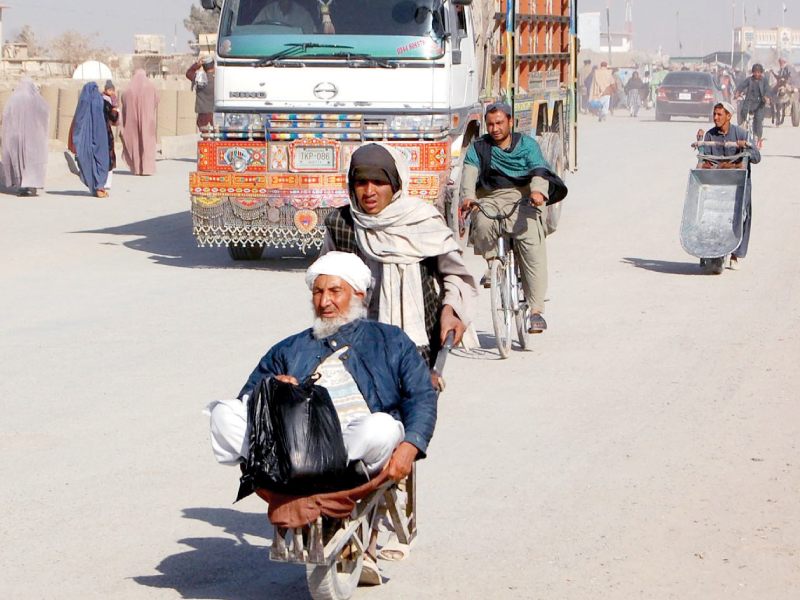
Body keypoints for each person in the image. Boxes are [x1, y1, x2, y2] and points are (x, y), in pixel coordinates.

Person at [206, 251, 437, 582]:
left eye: (334, 291)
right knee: (223, 413)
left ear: (358, 294)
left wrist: (411, 445)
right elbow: (249, 395)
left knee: (382, 426)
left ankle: (334, 496)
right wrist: (272, 388)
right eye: (317, 292)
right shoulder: (289, 348)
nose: (324, 301)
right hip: (295, 451)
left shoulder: (390, 340)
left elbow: (421, 395)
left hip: (352, 450)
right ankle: (290, 480)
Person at [321, 143, 477, 368]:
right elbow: (324, 282)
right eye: (361, 182)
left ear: (395, 184)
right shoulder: (341, 224)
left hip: (419, 343)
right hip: (356, 345)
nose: (369, 191)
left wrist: (451, 311)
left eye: (379, 182)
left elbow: (455, 275)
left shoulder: (423, 221)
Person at [460, 102, 567, 333]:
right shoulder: (479, 147)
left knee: (532, 246)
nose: (495, 128)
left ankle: (536, 311)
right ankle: (492, 264)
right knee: (482, 221)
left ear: (510, 122)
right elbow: (469, 172)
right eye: (490, 124)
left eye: (499, 123)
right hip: (490, 197)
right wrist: (468, 197)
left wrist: (538, 192)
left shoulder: (527, 145)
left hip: (523, 198)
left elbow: (539, 171)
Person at [696, 102, 761, 270]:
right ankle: (707, 250)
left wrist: (744, 148)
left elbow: (756, 156)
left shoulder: (742, 133)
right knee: (707, 213)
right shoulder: (710, 135)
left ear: (728, 116)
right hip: (716, 183)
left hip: (738, 184)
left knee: (743, 214)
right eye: (714, 114)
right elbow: (704, 160)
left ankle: (735, 254)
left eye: (719, 114)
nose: (716, 118)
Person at [1, 77, 49, 197]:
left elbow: (5, 117)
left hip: (15, 137)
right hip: (32, 137)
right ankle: (30, 183)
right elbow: (45, 112)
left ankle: (21, 185)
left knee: (17, 159)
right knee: (30, 160)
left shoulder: (13, 99)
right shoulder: (35, 98)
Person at [69, 82, 110, 198]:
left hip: (84, 135)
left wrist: (75, 134)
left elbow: (78, 119)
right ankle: (100, 186)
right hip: (100, 133)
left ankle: (95, 186)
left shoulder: (84, 100)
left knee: (86, 159)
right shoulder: (99, 100)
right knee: (101, 158)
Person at [121, 69, 160, 176]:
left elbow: (123, 100)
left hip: (131, 119)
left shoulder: (129, 88)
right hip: (148, 119)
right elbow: (157, 100)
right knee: (147, 141)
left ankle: (136, 168)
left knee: (134, 140)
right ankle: (147, 168)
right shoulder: (150, 86)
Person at [734, 63, 770, 148]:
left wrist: (766, 96)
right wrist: (737, 93)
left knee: (758, 120)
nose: (757, 74)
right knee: (743, 112)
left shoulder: (764, 81)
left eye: (758, 72)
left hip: (760, 102)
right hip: (749, 101)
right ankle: (743, 130)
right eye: (755, 72)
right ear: (752, 72)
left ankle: (759, 138)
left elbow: (767, 90)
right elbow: (741, 86)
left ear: (761, 73)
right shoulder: (749, 80)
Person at [186, 56, 215, 131]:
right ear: (214, 66)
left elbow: (189, 73)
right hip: (216, 112)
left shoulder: (199, 78)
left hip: (202, 112)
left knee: (204, 133)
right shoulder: (218, 78)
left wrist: (197, 64)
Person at [101, 81, 119, 193]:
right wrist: (115, 110)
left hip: (96, 134)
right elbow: (113, 117)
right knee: (108, 156)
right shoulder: (106, 103)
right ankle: (106, 182)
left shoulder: (97, 100)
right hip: (105, 132)